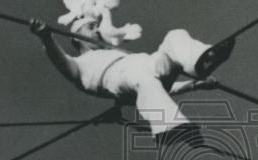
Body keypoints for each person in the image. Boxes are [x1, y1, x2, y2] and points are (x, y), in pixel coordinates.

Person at [29, 12, 235, 150]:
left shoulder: (116, 53)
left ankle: (201, 61)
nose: (98, 30)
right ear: (75, 38)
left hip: (145, 65)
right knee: (144, 81)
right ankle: (168, 128)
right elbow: (60, 61)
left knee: (174, 37)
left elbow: (158, 92)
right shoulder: (80, 64)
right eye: (91, 27)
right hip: (116, 77)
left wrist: (194, 85)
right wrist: (46, 37)